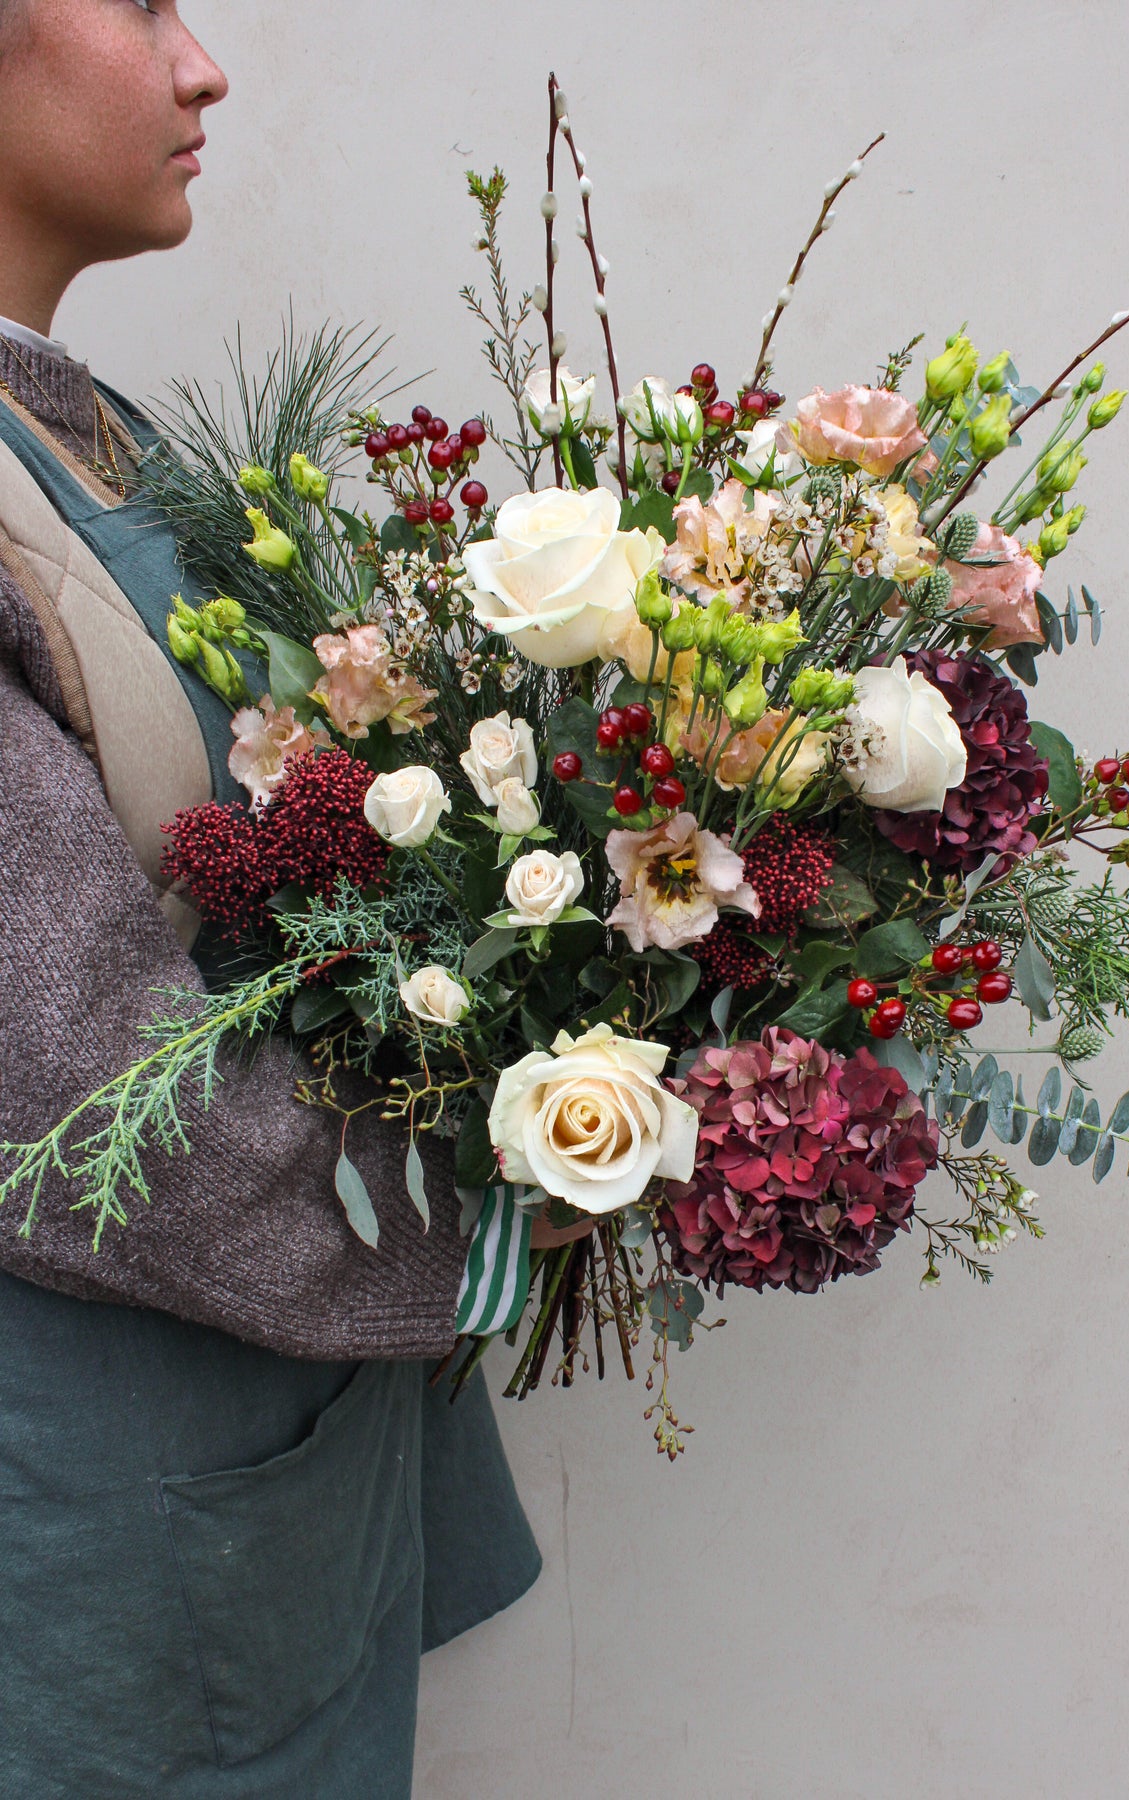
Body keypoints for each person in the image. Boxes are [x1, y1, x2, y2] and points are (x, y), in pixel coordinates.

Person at [0, 4, 551, 1792]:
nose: (202, 65)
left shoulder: (82, 426)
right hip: (103, 1501)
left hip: (248, 1448)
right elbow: (74, 1090)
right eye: (140, 3)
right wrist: (513, 1201)